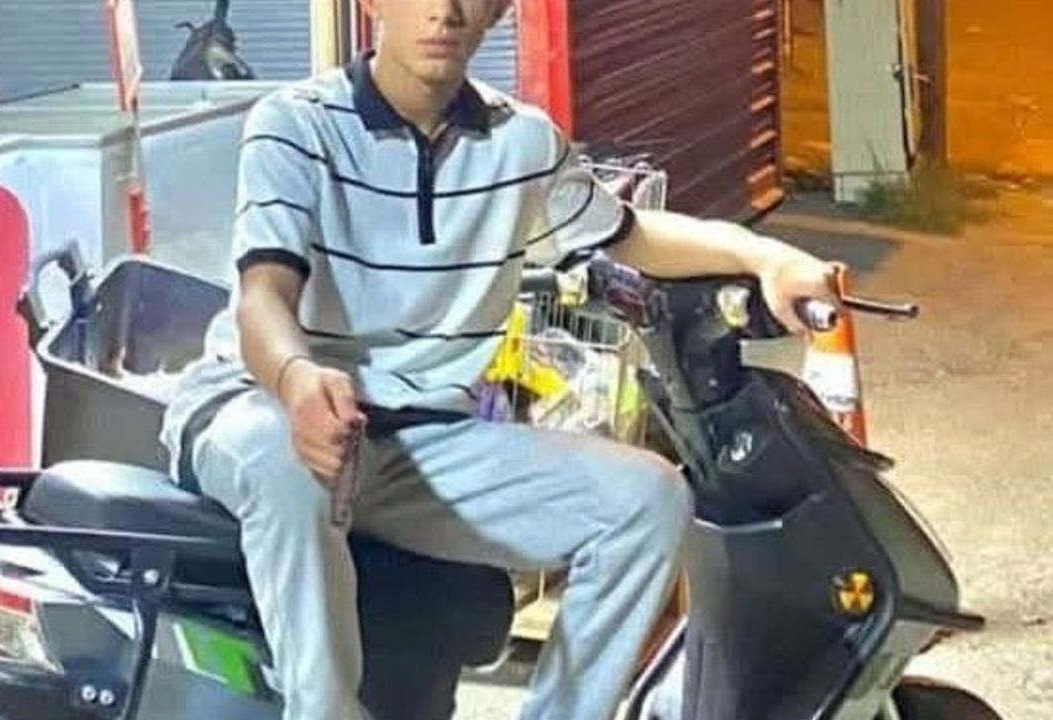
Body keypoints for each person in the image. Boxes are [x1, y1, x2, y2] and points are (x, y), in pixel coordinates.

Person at [161, 1, 840, 718]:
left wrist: (766, 255)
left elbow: (630, 235)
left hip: (424, 440)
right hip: (264, 408)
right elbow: (262, 294)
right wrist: (296, 378)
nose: (444, 12)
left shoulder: (521, 142)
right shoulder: (296, 124)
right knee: (286, 462)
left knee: (649, 499)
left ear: (497, 10)